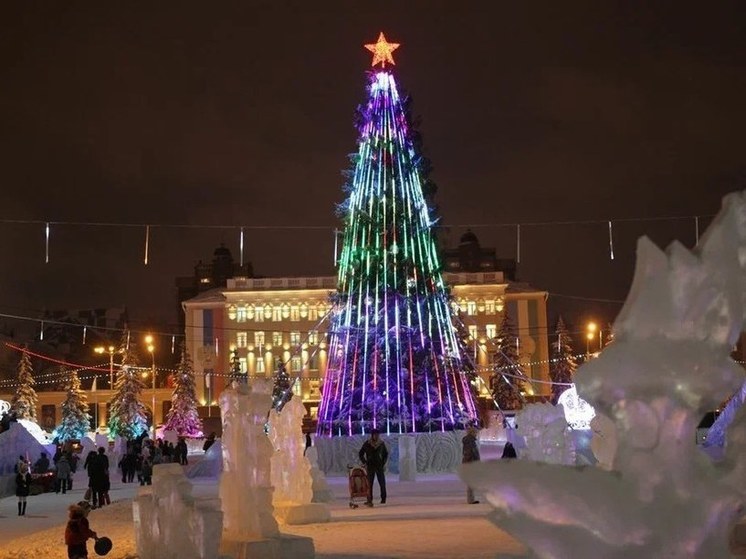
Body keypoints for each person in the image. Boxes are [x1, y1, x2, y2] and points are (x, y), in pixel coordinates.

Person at [359, 429, 388, 506]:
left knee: (382, 483)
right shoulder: (367, 443)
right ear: (372, 435)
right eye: (375, 434)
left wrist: (383, 463)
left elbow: (385, 454)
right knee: (369, 483)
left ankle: (383, 498)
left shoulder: (381, 443)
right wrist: (365, 462)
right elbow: (361, 453)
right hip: (370, 465)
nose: (376, 436)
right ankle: (369, 499)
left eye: (377, 434)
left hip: (379, 465)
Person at [462, 425, 481, 504]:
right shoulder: (470, 442)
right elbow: (470, 453)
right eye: (475, 432)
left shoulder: (470, 441)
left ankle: (471, 499)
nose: (476, 434)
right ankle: (470, 499)